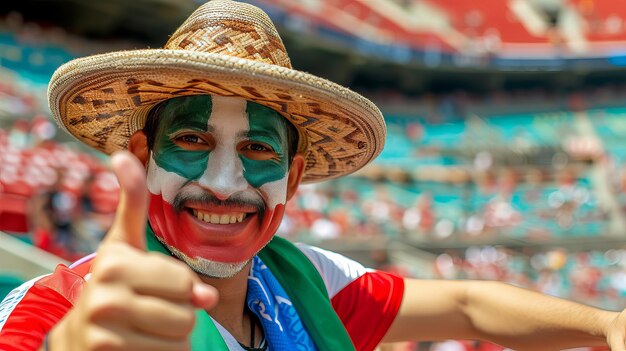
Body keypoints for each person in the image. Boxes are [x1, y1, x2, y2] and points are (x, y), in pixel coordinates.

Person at [0, 1, 625, 350]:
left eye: (257, 149)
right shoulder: (51, 312)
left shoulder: (307, 285)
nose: (223, 182)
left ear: (294, 179)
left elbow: (466, 304)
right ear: (141, 157)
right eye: (191, 140)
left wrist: (607, 326)